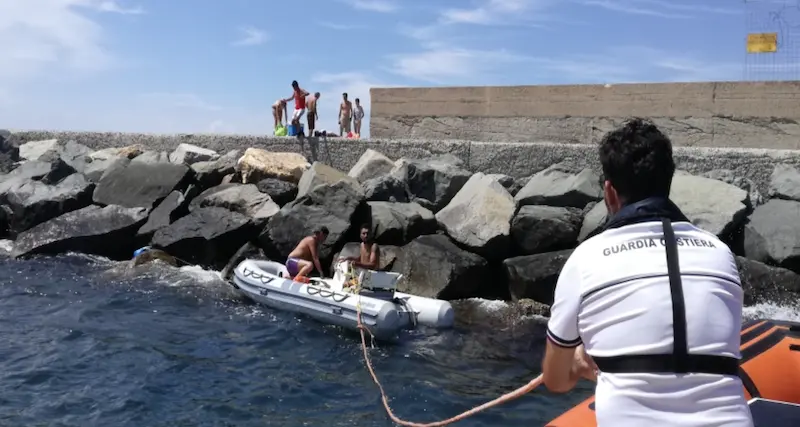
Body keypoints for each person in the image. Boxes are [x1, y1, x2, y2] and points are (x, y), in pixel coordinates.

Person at [541, 118, 753, 427]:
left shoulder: (586, 258)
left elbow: (556, 381)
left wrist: (577, 363)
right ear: (667, 183)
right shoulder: (720, 252)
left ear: (610, 192)